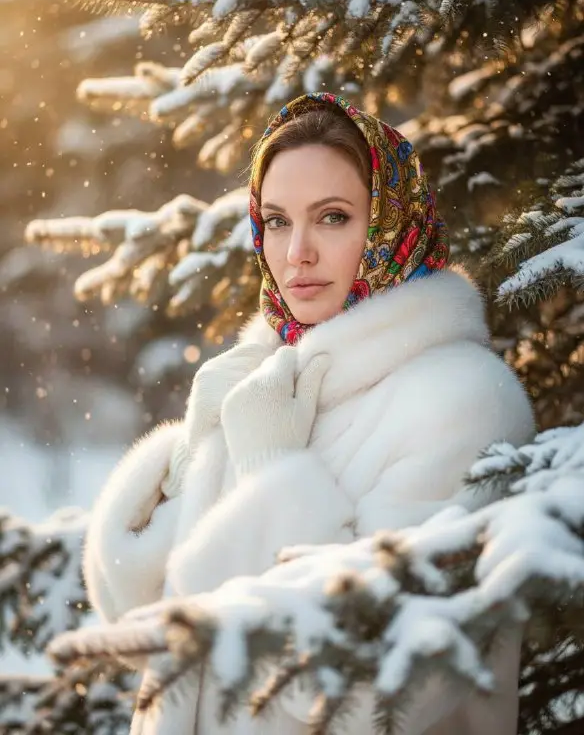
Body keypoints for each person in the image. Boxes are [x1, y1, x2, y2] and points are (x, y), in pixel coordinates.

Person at [83, 92, 535, 734]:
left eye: (332, 217)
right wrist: (191, 459)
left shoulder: (463, 403)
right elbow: (154, 631)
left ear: (390, 225)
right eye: (275, 220)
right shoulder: (265, 379)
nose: (296, 251)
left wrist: (273, 474)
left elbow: (373, 697)